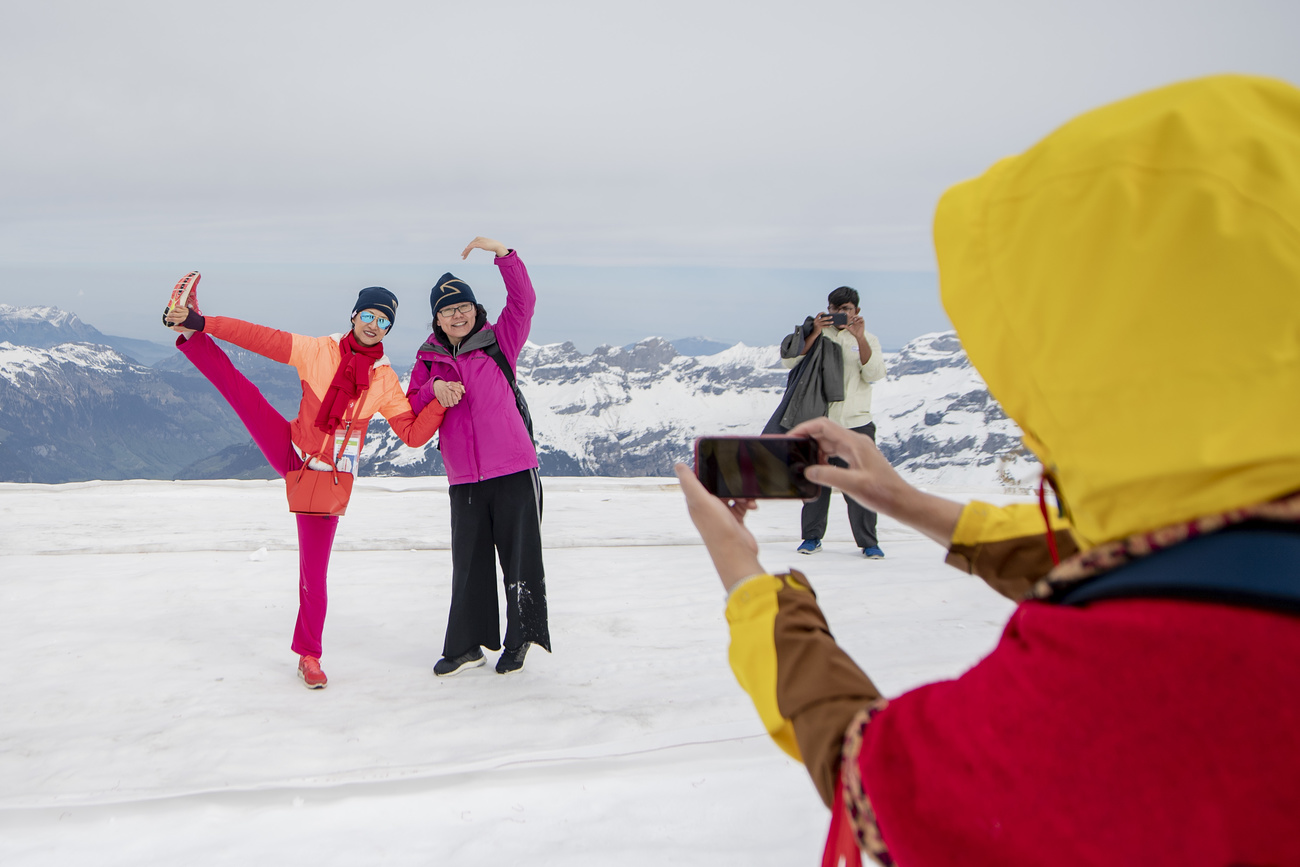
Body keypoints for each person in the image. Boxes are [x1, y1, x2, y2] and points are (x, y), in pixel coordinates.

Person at [677, 74, 1300, 866]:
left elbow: (874, 775)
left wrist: (744, 579)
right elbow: (1178, 557)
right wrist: (912, 500)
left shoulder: (1119, 695)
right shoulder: (1241, 561)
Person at [164, 281, 445, 689]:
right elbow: (260, 338)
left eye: (384, 321)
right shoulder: (319, 351)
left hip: (326, 480)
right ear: (354, 316)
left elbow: (412, 435)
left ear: (388, 329)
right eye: (369, 315)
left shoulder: (383, 381)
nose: (374, 325)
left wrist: (439, 401)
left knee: (315, 574)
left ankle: (308, 656)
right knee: (243, 393)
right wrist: (203, 322)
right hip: (293, 450)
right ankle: (188, 330)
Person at [407, 237, 550, 677]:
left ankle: (521, 637)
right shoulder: (428, 360)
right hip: (464, 478)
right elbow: (411, 405)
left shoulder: (498, 342)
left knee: (519, 558)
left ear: (475, 309)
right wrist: (435, 390)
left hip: (513, 470)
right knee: (468, 564)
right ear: (436, 319)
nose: (458, 315)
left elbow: (523, 302)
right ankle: (467, 645)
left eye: (464, 306)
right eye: (448, 310)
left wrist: (504, 254)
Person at [765, 287, 887, 558]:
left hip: (857, 423)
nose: (841, 314)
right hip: (820, 422)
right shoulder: (817, 335)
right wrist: (815, 332)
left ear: (856, 312)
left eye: (847, 310)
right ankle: (811, 537)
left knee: (861, 485)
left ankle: (869, 542)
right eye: (836, 309)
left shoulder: (869, 339)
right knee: (815, 483)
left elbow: (874, 373)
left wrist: (861, 338)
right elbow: (790, 361)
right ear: (828, 309)